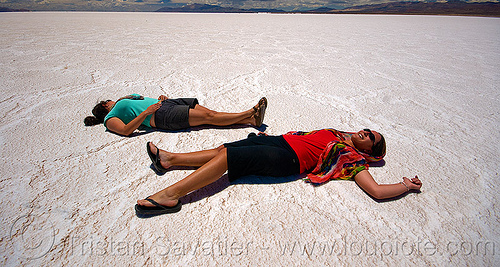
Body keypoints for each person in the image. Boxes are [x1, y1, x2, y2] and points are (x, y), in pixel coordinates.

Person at [135, 128, 422, 216]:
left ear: (370, 151)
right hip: (280, 142)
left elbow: (376, 191)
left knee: (228, 160)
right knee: (224, 149)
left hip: (288, 159)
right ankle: (170, 159)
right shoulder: (340, 133)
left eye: (370, 137)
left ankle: (171, 195)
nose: (365, 132)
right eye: (369, 130)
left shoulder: (351, 158)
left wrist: (405, 185)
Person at [84, 94, 267, 136]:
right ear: (104, 106)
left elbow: (139, 99)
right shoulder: (109, 120)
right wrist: (146, 113)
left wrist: (158, 99)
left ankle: (251, 120)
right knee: (209, 119)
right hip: (161, 117)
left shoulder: (121, 100)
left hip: (166, 104)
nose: (110, 101)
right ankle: (250, 112)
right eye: (107, 101)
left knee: (211, 113)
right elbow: (125, 130)